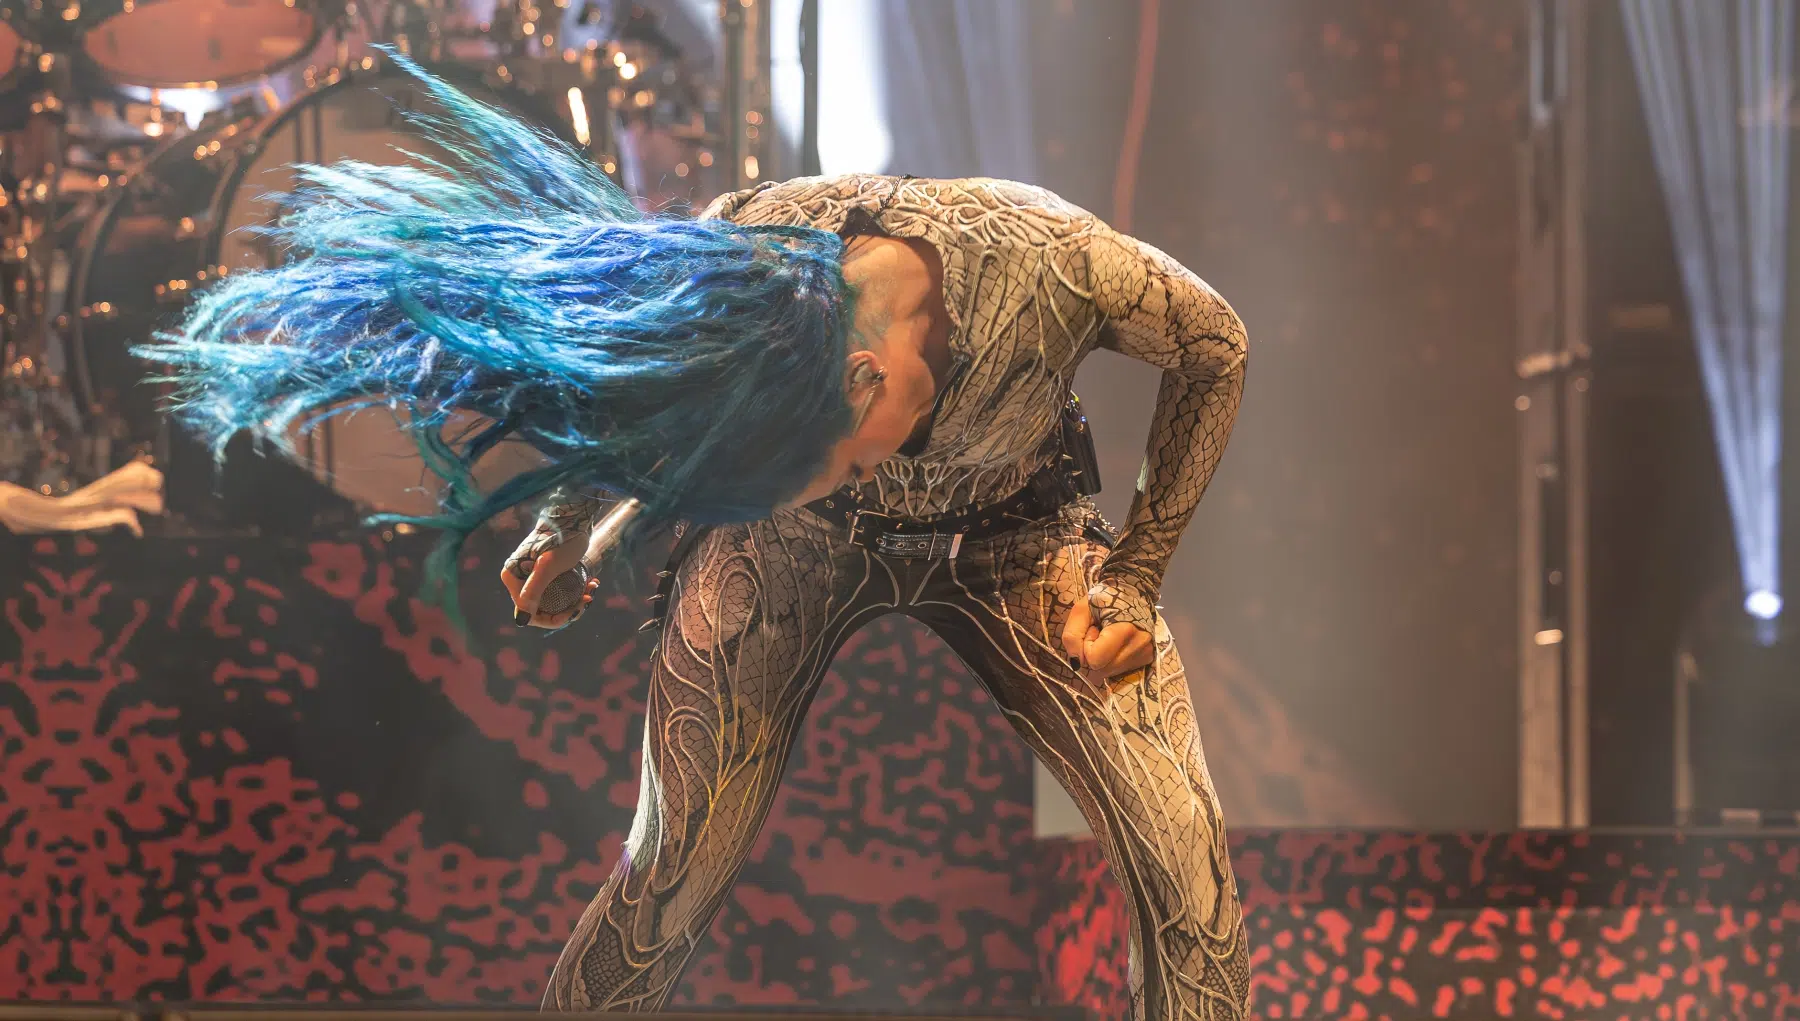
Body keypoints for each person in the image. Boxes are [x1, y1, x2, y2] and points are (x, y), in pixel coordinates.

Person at [142, 55, 1250, 1020]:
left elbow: (1219, 346)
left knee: (1182, 864)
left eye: (842, 457)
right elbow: (663, 406)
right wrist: (572, 523)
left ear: (866, 382)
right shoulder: (746, 250)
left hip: (1020, 532)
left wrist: (1136, 573)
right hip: (800, 545)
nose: (863, 472)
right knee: (668, 870)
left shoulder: (1057, 265)